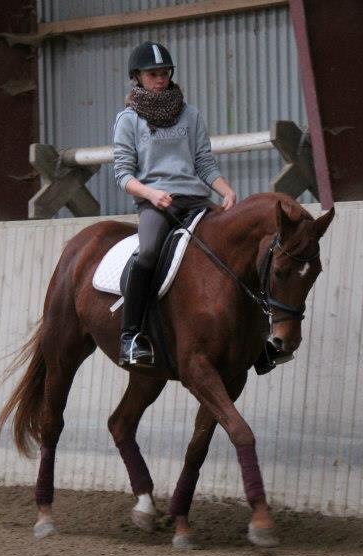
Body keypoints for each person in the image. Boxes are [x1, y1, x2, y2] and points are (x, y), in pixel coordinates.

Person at [113, 41, 237, 367]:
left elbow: (205, 164)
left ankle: (256, 336)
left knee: (237, 245)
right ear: (137, 77)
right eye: (153, 74)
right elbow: (123, 175)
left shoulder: (190, 114)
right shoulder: (128, 120)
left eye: (165, 73)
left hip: (195, 199)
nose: (160, 79)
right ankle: (130, 336)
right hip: (158, 204)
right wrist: (151, 194)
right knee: (149, 252)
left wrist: (226, 191)